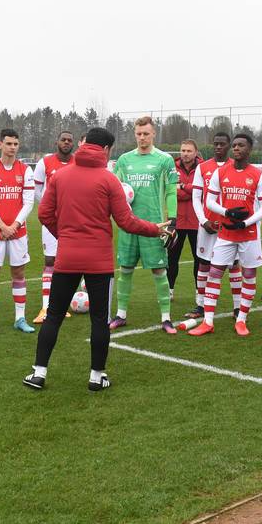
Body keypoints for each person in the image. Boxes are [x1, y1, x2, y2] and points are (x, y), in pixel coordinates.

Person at [24, 128, 168, 391]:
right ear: (106, 150)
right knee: (100, 319)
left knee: (53, 316)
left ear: (84, 144)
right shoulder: (108, 179)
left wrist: (64, 235)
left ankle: (38, 373)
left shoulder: (61, 175)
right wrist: (154, 229)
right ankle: (96, 376)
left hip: (66, 257)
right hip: (99, 262)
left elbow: (44, 213)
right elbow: (126, 221)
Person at [188, 133, 262, 337]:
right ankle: (207, 321)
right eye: (234, 145)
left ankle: (241, 319)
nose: (236, 148)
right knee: (215, 273)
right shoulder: (220, 172)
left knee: (249, 275)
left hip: (249, 234)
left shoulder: (259, 175)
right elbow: (209, 201)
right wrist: (227, 213)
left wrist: (245, 222)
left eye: (241, 145)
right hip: (225, 233)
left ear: (249, 149)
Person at [109, 116, 179, 334]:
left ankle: (166, 318)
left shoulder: (164, 160)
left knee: (159, 269)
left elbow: (170, 190)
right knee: (126, 269)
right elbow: (115, 189)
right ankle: (121, 315)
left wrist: (173, 219)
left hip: (155, 225)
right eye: (138, 134)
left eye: (145, 133)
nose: (142, 137)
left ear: (153, 134)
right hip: (128, 224)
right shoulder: (124, 160)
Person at [0, 129, 36, 334]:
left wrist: (14, 227)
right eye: (8, 143)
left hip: (17, 232)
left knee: (18, 273)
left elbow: (28, 203)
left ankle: (20, 318)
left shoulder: (25, 170)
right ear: (0, 144)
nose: (12, 148)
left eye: (15, 144)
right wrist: (2, 226)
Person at [188, 132, 243, 319]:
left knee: (234, 265)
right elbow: (196, 198)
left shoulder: (236, 167)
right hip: (207, 226)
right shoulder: (202, 168)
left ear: (229, 146)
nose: (218, 147)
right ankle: (200, 305)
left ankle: (237, 308)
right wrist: (204, 221)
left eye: (222, 144)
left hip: (229, 227)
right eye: (216, 144)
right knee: (204, 264)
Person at [32, 131, 74, 324]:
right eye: (63, 140)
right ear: (57, 142)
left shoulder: (78, 162)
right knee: (50, 260)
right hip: (51, 221)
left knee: (71, 262)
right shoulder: (44, 163)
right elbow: (37, 190)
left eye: (69, 140)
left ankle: (62, 305)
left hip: (74, 220)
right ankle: (46, 307)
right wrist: (51, 207)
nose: (66, 143)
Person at [167, 139, 201, 301]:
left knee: (199, 259)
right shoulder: (172, 166)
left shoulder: (203, 168)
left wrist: (182, 186)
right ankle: (169, 290)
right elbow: (170, 192)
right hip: (176, 221)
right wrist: (190, 190)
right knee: (172, 258)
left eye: (189, 151)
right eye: (183, 150)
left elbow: (201, 192)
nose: (185, 153)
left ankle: (199, 291)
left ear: (195, 152)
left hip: (197, 222)